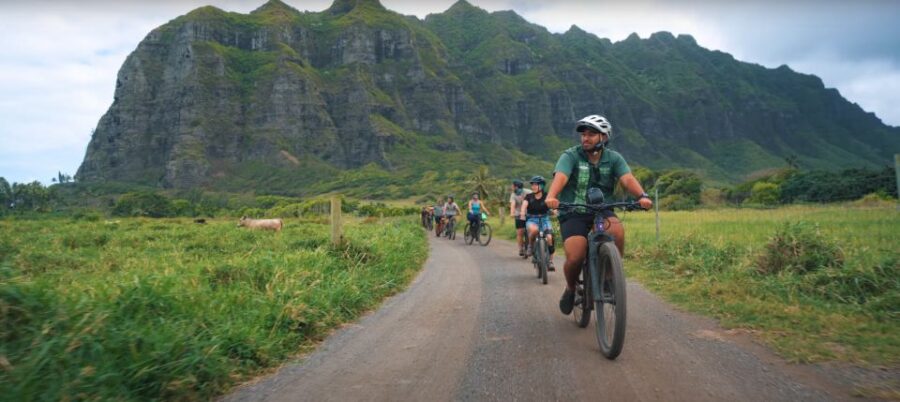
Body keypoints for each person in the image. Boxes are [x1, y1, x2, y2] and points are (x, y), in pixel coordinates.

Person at [545, 114, 653, 315]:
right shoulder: (570, 156)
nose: (585, 138)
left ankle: (609, 277)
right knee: (575, 256)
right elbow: (561, 176)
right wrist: (552, 196)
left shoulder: (614, 158)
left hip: (601, 209)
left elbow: (627, 179)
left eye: (591, 135)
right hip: (573, 211)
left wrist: (642, 196)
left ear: (604, 137)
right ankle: (570, 288)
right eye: (583, 135)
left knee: (617, 232)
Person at [520, 176, 555, 271]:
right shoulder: (529, 196)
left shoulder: (547, 196)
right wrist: (522, 213)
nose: (533, 186)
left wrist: (554, 211)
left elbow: (552, 206)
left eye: (536, 184)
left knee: (549, 237)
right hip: (532, 219)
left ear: (542, 186)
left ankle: (551, 261)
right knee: (534, 230)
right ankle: (530, 246)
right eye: (532, 184)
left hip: (545, 219)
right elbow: (524, 205)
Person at [509, 179, 531, 256]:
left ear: (516, 187)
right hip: (518, 214)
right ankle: (521, 248)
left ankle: (531, 247)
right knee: (520, 232)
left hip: (529, 213)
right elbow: (513, 204)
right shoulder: (513, 194)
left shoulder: (528, 192)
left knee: (531, 231)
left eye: (512, 186)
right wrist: (512, 213)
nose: (511, 187)